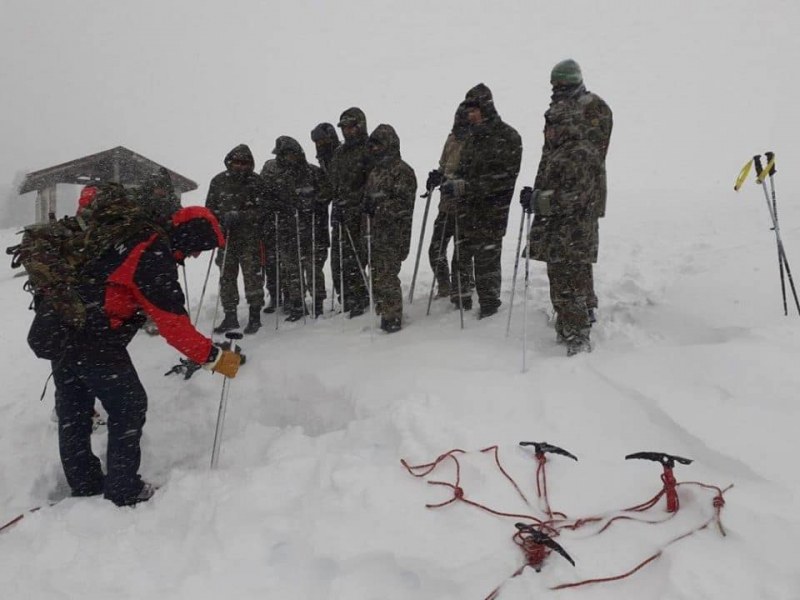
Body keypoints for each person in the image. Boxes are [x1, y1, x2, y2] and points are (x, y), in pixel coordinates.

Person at [33, 184, 241, 506]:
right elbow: (173, 325)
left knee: (74, 410)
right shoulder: (151, 251)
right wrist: (217, 359)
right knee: (129, 405)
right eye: (200, 247)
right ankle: (123, 488)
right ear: (189, 237)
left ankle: (85, 482)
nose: (197, 255)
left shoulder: (127, 236)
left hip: (62, 326)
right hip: (93, 336)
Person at [524, 59, 611, 356]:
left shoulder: (587, 122)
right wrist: (539, 193)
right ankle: (581, 313)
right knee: (572, 264)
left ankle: (575, 331)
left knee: (567, 268)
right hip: (567, 206)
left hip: (573, 210)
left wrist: (544, 199)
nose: (555, 90)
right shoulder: (566, 123)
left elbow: (579, 184)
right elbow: (550, 161)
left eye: (560, 85)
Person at [446, 83, 522, 318]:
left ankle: (489, 311)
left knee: (486, 265)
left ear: (487, 107)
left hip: (491, 214)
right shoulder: (471, 138)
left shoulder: (507, 136)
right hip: (467, 211)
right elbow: (462, 170)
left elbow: (502, 180)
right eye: (468, 111)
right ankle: (461, 306)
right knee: (461, 260)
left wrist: (468, 186)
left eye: (475, 110)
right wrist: (453, 182)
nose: (471, 115)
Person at [264, 136, 330, 320]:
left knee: (313, 269)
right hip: (286, 230)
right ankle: (297, 306)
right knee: (291, 269)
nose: (287, 158)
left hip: (312, 229)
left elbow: (327, 192)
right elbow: (266, 197)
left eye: (289, 154)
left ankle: (318, 304)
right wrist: (280, 206)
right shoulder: (277, 176)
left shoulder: (313, 172)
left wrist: (314, 200)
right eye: (283, 155)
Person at [205, 144, 269, 334]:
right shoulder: (218, 181)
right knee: (226, 277)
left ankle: (255, 316)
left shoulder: (257, 182)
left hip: (250, 239)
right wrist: (220, 218)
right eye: (236, 162)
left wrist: (241, 216)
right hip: (226, 239)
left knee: (253, 278)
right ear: (229, 162)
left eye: (244, 163)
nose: (240, 166)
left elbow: (263, 210)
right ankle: (230, 315)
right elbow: (209, 208)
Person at [362, 124, 417, 332]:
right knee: (376, 273)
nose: (375, 149)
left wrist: (378, 206)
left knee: (387, 275)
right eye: (373, 145)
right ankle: (382, 308)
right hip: (375, 233)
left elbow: (403, 205)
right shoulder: (375, 172)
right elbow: (369, 200)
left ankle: (393, 315)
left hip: (394, 234)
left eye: (379, 145)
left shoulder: (402, 171)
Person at [329, 107, 372, 317]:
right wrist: (336, 204)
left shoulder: (370, 149)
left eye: (351, 126)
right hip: (340, 214)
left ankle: (360, 297)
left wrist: (352, 203)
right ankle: (345, 297)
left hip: (361, 214)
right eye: (344, 127)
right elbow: (333, 183)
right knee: (338, 259)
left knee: (357, 257)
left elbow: (372, 183)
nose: (347, 131)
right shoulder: (339, 153)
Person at [426, 102, 470, 299]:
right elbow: (443, 165)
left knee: (461, 254)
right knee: (435, 249)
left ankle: (463, 287)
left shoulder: (474, 142)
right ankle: (444, 285)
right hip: (445, 205)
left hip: (464, 206)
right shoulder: (451, 140)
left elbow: (473, 177)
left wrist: (454, 184)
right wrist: (437, 176)